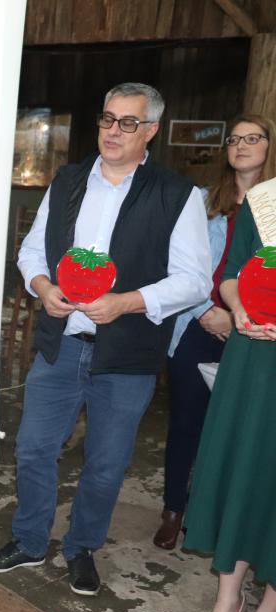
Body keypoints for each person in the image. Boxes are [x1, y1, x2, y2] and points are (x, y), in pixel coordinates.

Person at [0, 82, 212, 596]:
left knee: (105, 465)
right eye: (108, 119)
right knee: (33, 449)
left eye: (128, 122)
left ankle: (81, 548)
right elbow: (31, 251)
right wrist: (43, 287)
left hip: (127, 354)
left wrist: (126, 302)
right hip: (62, 343)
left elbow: (195, 280)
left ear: (150, 131)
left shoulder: (178, 195)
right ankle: (29, 541)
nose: (113, 131)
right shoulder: (69, 180)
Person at [153, 114, 275, 550]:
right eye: (234, 139)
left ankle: (215, 516)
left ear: (270, 146)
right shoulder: (203, 201)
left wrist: (239, 316)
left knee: (233, 428)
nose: (241, 145)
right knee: (187, 420)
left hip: (256, 332)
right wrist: (208, 310)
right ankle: (173, 508)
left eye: (252, 138)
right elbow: (178, 263)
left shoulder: (273, 207)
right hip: (199, 321)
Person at [184, 182, 276, 612]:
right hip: (251, 354)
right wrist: (240, 309)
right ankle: (227, 600)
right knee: (239, 466)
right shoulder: (265, 199)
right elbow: (232, 274)